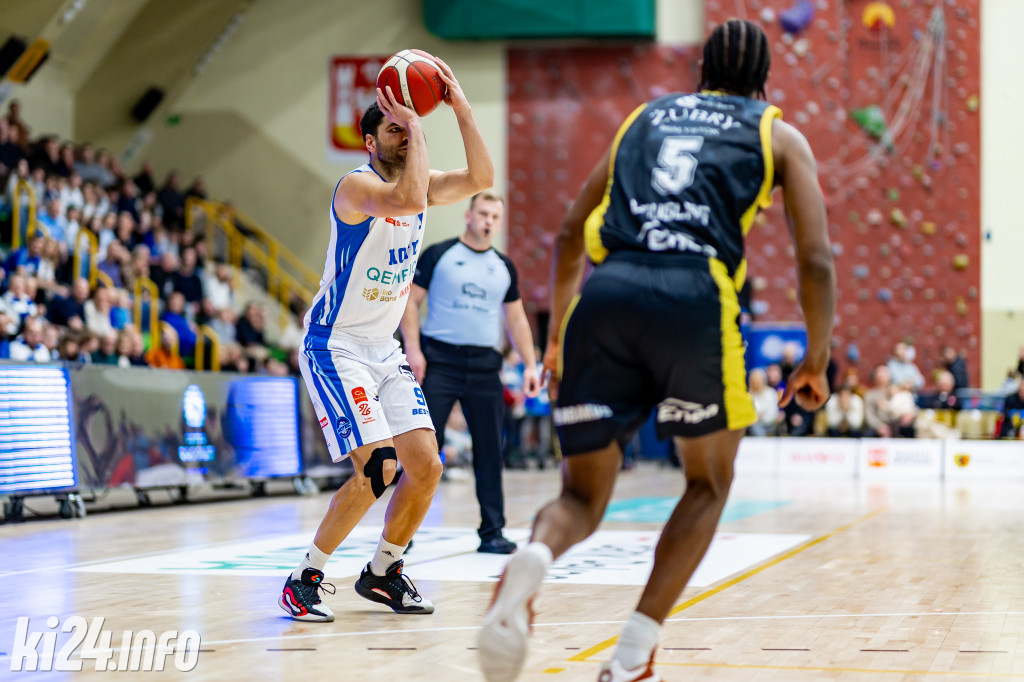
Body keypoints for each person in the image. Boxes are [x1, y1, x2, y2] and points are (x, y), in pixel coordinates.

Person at [477, 20, 835, 682]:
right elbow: (815, 260)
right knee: (708, 482)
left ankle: (533, 559)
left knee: (581, 498)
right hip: (694, 297)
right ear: (763, 80)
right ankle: (632, 655)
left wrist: (555, 340)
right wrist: (816, 358)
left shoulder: (643, 119)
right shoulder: (778, 134)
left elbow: (568, 233)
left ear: (702, 70)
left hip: (605, 294)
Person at [278, 59, 494, 622]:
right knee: (378, 468)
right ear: (370, 142)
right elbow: (408, 201)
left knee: (426, 466)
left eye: (407, 126)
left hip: (383, 349)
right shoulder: (357, 187)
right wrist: (418, 123)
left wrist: (460, 108)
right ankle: (304, 579)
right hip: (335, 344)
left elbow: (481, 178)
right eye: (393, 128)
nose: (403, 133)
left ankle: (383, 572)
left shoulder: (419, 185)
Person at [399, 191, 541, 555]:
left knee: (491, 450)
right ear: (468, 215)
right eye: (483, 213)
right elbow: (410, 302)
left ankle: (492, 532)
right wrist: (413, 349)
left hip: (485, 366)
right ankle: (401, 532)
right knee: (424, 449)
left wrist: (529, 364)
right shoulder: (440, 254)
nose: (488, 221)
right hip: (440, 361)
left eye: (495, 216)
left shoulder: (503, 266)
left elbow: (516, 319)